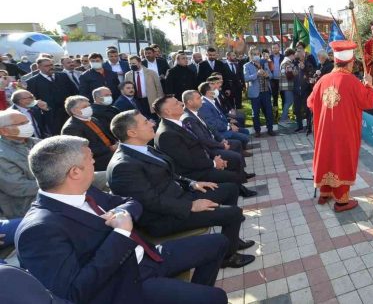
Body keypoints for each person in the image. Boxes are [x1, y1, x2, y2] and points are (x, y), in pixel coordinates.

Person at [16, 135, 229, 303]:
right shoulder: (38, 230)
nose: (94, 164)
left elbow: (131, 202)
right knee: (216, 297)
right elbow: (74, 291)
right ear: (74, 172)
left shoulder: (83, 191)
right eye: (91, 160)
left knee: (219, 243)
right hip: (125, 284)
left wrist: (124, 215)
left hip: (148, 257)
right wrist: (120, 234)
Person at [107, 111, 255, 268]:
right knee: (233, 213)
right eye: (145, 122)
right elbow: (150, 202)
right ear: (132, 132)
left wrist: (192, 183)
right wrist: (191, 206)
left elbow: (170, 174)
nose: (152, 123)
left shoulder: (141, 149)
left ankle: (232, 241)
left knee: (231, 189)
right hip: (163, 217)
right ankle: (227, 257)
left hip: (178, 196)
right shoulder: (123, 166)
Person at [308, 41, 373, 211]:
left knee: (327, 157)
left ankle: (325, 192)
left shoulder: (323, 79)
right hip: (344, 131)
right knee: (341, 160)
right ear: (351, 62)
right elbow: (368, 102)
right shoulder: (352, 81)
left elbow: (310, 102)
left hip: (325, 131)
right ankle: (342, 201)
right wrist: (369, 84)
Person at [153, 95, 254, 195]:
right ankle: (234, 195)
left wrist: (215, 158)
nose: (181, 103)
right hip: (194, 174)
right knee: (232, 177)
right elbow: (187, 162)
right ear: (167, 111)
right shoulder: (166, 134)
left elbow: (198, 144)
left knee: (233, 160)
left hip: (203, 161)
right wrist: (214, 163)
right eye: (176, 103)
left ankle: (240, 190)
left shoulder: (176, 124)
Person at [182, 89, 252, 160]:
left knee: (237, 144)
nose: (201, 100)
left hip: (215, 140)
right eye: (198, 98)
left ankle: (240, 168)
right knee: (236, 156)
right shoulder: (189, 118)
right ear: (190, 102)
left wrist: (221, 139)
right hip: (209, 148)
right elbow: (204, 139)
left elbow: (211, 128)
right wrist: (222, 145)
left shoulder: (196, 112)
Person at [0, 109, 40, 219]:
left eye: (27, 122)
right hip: (25, 211)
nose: (28, 125)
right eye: (21, 124)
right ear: (4, 131)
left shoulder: (38, 143)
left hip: (51, 199)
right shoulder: (2, 155)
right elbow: (18, 187)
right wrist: (58, 183)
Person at [61, 95, 117, 172]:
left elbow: (106, 136)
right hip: (98, 162)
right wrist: (110, 148)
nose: (89, 108)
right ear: (74, 110)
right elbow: (81, 150)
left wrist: (116, 143)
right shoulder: (71, 128)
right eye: (85, 107)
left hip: (112, 153)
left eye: (89, 105)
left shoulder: (93, 119)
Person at [26, 58, 78, 135]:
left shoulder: (63, 76)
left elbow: (74, 91)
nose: (50, 67)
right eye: (46, 66)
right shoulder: (32, 82)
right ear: (39, 67)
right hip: (51, 116)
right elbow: (33, 100)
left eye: (51, 65)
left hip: (68, 112)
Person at [198, 83, 252, 148]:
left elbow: (220, 117)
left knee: (245, 131)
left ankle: (242, 149)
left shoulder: (211, 101)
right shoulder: (204, 105)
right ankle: (239, 150)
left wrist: (229, 124)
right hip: (220, 133)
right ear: (208, 92)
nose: (216, 90)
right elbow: (213, 123)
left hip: (224, 127)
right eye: (214, 89)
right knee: (245, 137)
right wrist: (229, 127)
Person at [243, 47, 277, 137]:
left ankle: (270, 129)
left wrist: (267, 75)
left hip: (266, 92)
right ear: (250, 55)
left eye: (257, 54)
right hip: (255, 93)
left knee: (269, 112)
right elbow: (246, 78)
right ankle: (257, 131)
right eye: (254, 54)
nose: (256, 56)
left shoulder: (265, 63)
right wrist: (256, 74)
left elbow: (271, 75)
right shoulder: (247, 65)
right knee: (256, 113)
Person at [279, 48, 296, 123]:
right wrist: (296, 72)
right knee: (289, 102)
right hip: (287, 85)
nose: (294, 57)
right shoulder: (287, 62)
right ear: (291, 55)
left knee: (288, 101)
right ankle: (283, 118)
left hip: (285, 85)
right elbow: (289, 75)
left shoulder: (285, 61)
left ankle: (284, 118)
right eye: (294, 55)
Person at [269, 43, 283, 116]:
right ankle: (275, 114)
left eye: (276, 48)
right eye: (273, 48)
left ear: (279, 48)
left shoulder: (283, 57)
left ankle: (284, 114)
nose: (274, 49)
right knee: (275, 98)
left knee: (283, 97)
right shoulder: (269, 58)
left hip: (282, 80)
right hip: (273, 80)